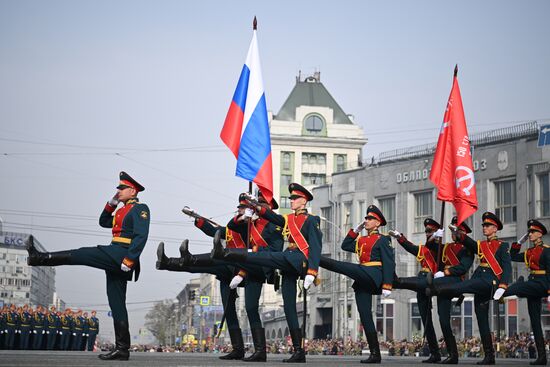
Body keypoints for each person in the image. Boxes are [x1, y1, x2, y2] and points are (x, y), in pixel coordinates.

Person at [26, 171, 150, 360]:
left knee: (83, 254)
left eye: (122, 188)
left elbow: (141, 236)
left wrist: (130, 259)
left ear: (133, 191)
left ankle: (41, 258)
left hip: (121, 254)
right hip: (115, 253)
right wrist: (112, 203)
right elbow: (103, 222)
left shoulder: (140, 208)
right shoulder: (121, 210)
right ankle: (122, 349)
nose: (119, 190)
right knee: (116, 303)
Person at [212, 183, 322, 363]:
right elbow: (272, 216)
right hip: (288, 264)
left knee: (269, 257)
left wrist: (312, 271)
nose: (292, 201)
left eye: (294, 199)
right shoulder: (287, 219)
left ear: (303, 201)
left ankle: (227, 254)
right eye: (291, 198)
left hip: (299, 259)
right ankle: (298, 351)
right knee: (288, 308)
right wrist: (254, 206)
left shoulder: (312, 220)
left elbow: (315, 247)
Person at [156, 196, 250, 360]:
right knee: (228, 311)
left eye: (243, 208)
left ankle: (182, 259)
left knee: (210, 261)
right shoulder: (233, 227)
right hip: (227, 273)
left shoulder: (249, 228)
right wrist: (197, 219)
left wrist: (241, 273)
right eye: (239, 208)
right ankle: (167, 262)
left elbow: (247, 243)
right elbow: (213, 231)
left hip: (238, 269)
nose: (239, 211)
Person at [432, 212, 511, 365]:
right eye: (483, 225)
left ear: (495, 228)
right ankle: (489, 356)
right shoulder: (481, 245)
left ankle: (441, 290)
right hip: (479, 279)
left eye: (487, 225)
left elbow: (507, 267)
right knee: (482, 320)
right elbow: (470, 243)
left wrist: (503, 285)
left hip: (490, 281)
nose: (484, 228)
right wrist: (458, 233)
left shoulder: (502, 245)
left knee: (464, 285)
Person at [320, 204, 395, 364]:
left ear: (378, 223)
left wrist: (387, 284)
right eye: (366, 218)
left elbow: (389, 262)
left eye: (370, 218)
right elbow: (345, 245)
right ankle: (375, 353)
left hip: (373, 274)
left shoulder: (384, 240)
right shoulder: (361, 240)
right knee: (365, 316)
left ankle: (318, 260)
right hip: (362, 279)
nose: (366, 220)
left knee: (346, 267)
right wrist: (356, 229)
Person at [389, 218, 442, 363]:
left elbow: (436, 248)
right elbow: (410, 246)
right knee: (426, 320)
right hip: (421, 281)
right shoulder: (424, 249)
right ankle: (435, 353)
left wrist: (437, 238)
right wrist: (400, 237)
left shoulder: (442, 248)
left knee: (399, 281)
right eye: (426, 231)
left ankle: (393, 279)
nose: (427, 233)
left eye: (430, 231)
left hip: (432, 281)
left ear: (436, 232)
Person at [427, 216, 474, 364]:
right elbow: (429, 246)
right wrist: (434, 236)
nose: (453, 233)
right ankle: (453, 355)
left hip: (454, 280)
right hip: (441, 285)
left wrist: (445, 272)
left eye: (456, 230)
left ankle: (429, 287)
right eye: (452, 230)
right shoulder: (446, 247)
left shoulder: (467, 249)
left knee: (429, 284)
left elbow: (463, 267)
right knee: (444, 321)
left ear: (463, 232)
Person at [503, 219, 549, 365]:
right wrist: (519, 242)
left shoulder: (547, 250)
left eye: (532, 232)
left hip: (541, 283)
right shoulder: (529, 252)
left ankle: (504, 290)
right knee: (535, 322)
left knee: (519, 288)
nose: (530, 234)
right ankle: (542, 357)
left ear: (540, 234)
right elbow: (512, 256)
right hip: (532, 285)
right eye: (529, 232)